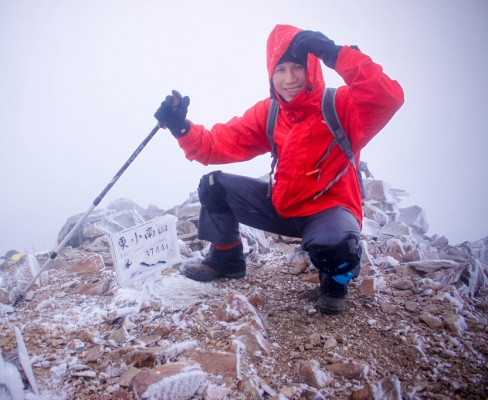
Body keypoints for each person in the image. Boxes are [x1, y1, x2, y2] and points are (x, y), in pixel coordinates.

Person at [154, 25, 404, 314]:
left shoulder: (342, 105)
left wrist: (336, 54)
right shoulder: (271, 112)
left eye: (297, 67)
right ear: (271, 75)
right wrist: (180, 127)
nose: (290, 79)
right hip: (282, 206)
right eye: (280, 69)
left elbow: (388, 98)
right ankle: (226, 259)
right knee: (213, 184)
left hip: (329, 211)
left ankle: (335, 279)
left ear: (311, 67)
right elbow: (215, 145)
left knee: (336, 247)